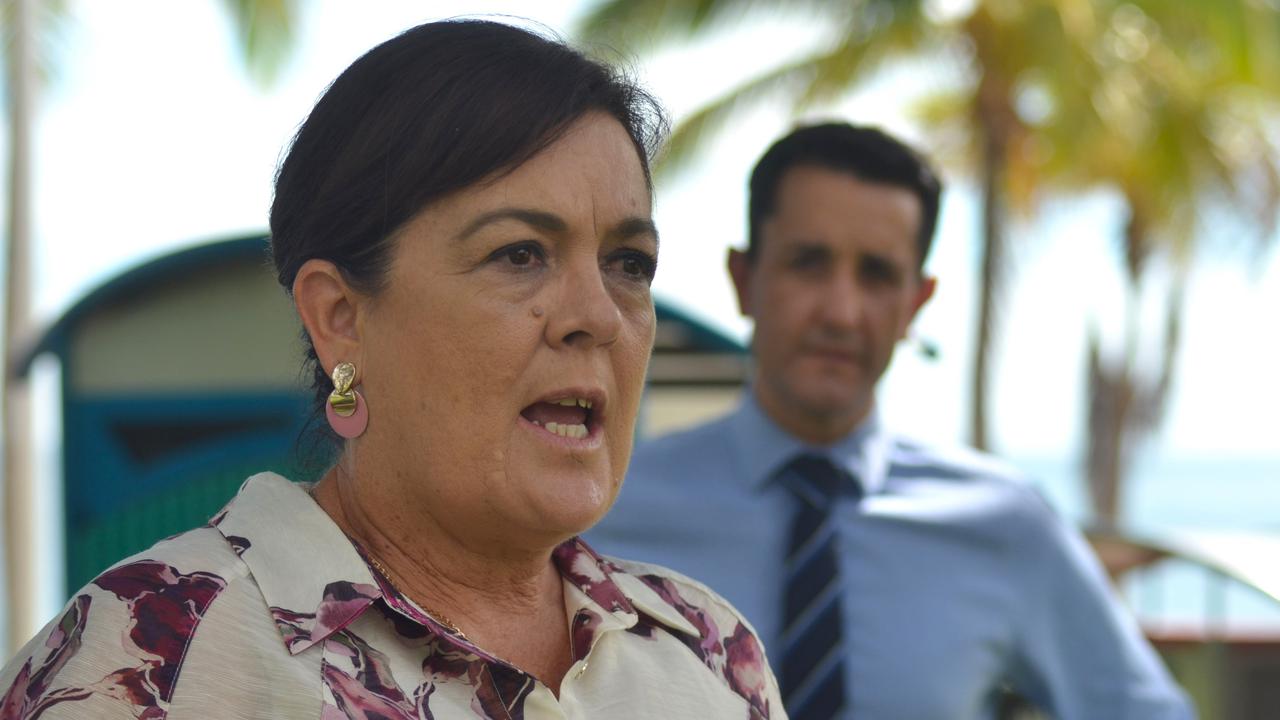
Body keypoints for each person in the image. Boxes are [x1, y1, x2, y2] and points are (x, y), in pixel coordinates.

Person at [0, 20, 784, 720]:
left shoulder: (707, 652)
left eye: (629, 262)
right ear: (341, 318)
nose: (599, 315)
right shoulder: (152, 663)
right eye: (519, 254)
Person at [587, 123, 1193, 719]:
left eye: (877, 274)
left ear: (915, 304)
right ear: (745, 280)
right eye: (808, 263)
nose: (842, 312)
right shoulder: (608, 511)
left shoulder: (1004, 523)